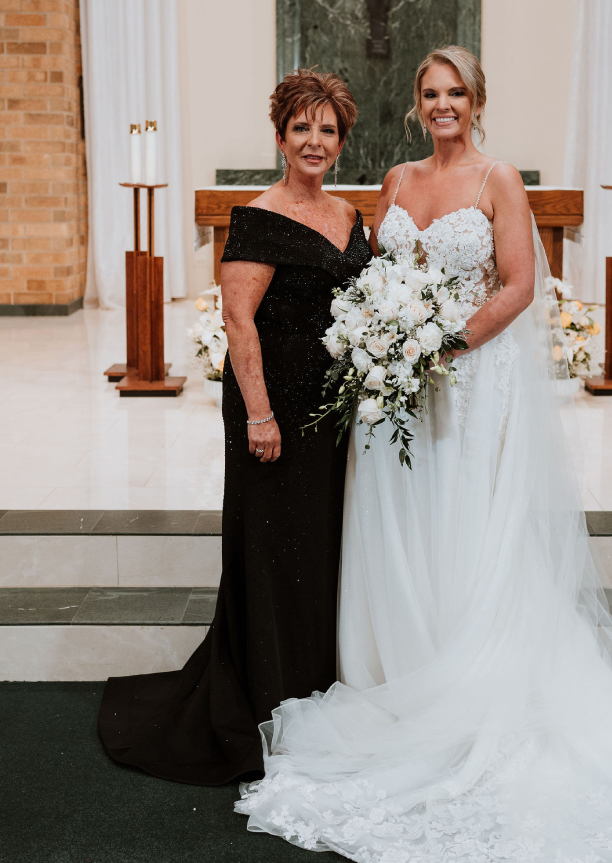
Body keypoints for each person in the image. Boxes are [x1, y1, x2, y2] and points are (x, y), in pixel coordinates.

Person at [235, 47, 612, 863]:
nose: (443, 106)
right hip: (398, 397)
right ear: (415, 106)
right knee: (402, 525)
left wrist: (439, 344)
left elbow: (519, 285)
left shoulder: (498, 178)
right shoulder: (392, 182)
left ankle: (467, 691)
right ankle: (403, 674)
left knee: (468, 530)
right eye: (430, 94)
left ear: (476, 101)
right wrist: (386, 347)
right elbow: (365, 285)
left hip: (468, 389)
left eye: (456, 94)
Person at [98, 69, 371, 785]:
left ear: (341, 142)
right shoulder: (256, 215)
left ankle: (313, 686)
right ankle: (267, 693)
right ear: (280, 135)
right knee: (274, 548)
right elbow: (237, 318)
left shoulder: (349, 215)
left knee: (320, 546)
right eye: (302, 128)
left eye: (328, 130)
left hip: (330, 410)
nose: (315, 141)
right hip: (270, 408)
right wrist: (259, 412)